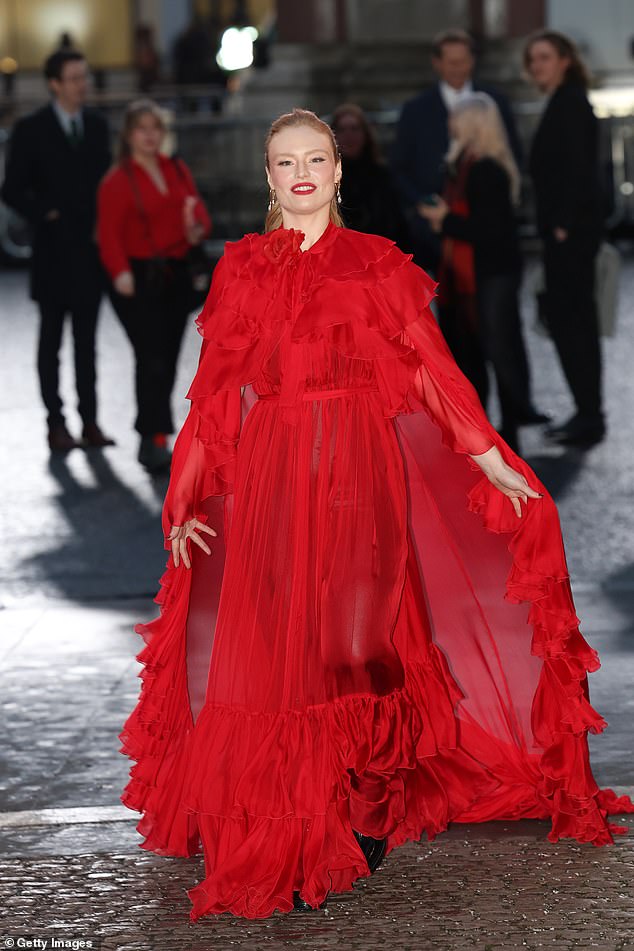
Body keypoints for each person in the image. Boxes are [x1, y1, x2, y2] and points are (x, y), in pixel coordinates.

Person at [119, 108, 632, 921]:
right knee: (285, 645)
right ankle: (299, 813)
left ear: (337, 170)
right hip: (273, 475)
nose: (301, 174)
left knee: (356, 644)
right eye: (285, 162)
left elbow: (432, 373)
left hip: (359, 468)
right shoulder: (243, 269)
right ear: (268, 177)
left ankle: (366, 801)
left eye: (315, 158)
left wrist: (491, 458)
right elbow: (214, 392)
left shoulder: (377, 264)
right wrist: (183, 497)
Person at [1, 49, 114, 452]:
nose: (83, 84)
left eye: (84, 76)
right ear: (55, 84)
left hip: (89, 253)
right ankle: (55, 423)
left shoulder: (98, 127)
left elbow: (108, 184)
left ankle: (90, 422)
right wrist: (44, 212)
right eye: (74, 78)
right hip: (52, 255)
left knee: (87, 345)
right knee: (51, 344)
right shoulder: (32, 129)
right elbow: (11, 187)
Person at [420, 93, 546, 451]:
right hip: (470, 274)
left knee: (497, 351)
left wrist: (445, 219)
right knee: (471, 354)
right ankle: (484, 431)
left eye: (456, 117)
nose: (449, 124)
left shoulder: (486, 169)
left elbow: (489, 231)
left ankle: (509, 432)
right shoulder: (461, 166)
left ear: (473, 123)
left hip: (490, 273)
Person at [97, 99, 211, 474]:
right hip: (137, 277)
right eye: (142, 129)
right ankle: (153, 437)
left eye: (155, 128)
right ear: (129, 136)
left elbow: (199, 217)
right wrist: (119, 273)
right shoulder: (117, 180)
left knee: (167, 354)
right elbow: (108, 235)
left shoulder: (175, 168)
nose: (150, 135)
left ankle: (158, 434)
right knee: (152, 358)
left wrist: (195, 228)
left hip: (174, 273)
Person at [525, 31, 605, 447]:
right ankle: (586, 412)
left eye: (544, 57)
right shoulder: (563, 101)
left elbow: (579, 169)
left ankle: (589, 416)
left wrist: (563, 223)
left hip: (569, 235)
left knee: (574, 324)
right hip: (567, 233)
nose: (536, 65)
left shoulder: (570, 103)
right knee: (572, 323)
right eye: (532, 59)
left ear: (565, 61)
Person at [392, 28, 522, 271]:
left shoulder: (496, 101)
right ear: (437, 63)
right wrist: (422, 203)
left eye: (463, 61)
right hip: (430, 233)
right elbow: (399, 166)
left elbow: (512, 154)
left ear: (473, 61)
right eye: (451, 62)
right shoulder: (416, 109)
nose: (457, 68)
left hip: (483, 230)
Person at [331, 103, 409, 249]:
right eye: (342, 130)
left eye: (354, 129)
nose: (349, 136)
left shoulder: (383, 176)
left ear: (365, 134)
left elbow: (397, 225)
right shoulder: (326, 179)